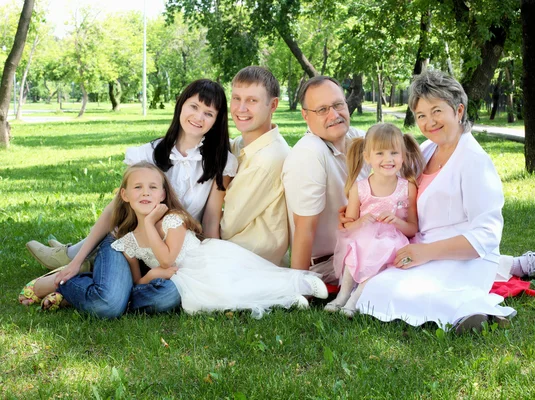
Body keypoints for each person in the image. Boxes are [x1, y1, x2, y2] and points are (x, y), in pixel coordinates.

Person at [355, 70, 535, 332]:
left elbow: (486, 235)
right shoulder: (427, 150)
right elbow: (392, 185)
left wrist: (425, 253)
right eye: (421, 115)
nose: (429, 122)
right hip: (423, 249)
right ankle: (514, 266)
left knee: (406, 293)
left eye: (436, 111)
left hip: (463, 257)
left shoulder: (474, 161)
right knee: (374, 289)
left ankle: (475, 311)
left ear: (458, 110)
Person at [19, 80, 237, 317]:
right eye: (193, 106)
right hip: (128, 245)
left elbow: (211, 218)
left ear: (217, 120)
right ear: (181, 106)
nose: (198, 117)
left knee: (168, 296)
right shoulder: (147, 154)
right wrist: (76, 259)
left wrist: (214, 264)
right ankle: (58, 282)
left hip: (171, 253)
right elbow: (114, 210)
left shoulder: (220, 162)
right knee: (107, 306)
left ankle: (95, 286)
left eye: (209, 113)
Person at [107, 163, 328, 318]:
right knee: (223, 298)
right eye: (138, 187)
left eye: (152, 187)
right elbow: (137, 284)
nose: (145, 193)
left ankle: (300, 284)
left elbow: (166, 260)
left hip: (207, 262)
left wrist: (148, 223)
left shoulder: (172, 220)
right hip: (184, 280)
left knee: (244, 284)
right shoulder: (129, 242)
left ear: (163, 195)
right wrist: (153, 274)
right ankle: (286, 300)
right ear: (125, 195)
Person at [325, 123, 424, 317]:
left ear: (403, 156)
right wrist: (360, 223)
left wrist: (396, 221)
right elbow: (349, 224)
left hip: (393, 243)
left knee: (380, 252)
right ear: (368, 157)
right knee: (357, 249)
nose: (388, 159)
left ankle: (354, 300)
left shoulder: (407, 187)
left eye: (394, 153)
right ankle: (343, 295)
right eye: (380, 153)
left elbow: (413, 228)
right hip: (363, 238)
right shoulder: (359, 188)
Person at [282, 76, 369, 284]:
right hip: (328, 265)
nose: (334, 115)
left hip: (362, 248)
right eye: (322, 110)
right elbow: (304, 228)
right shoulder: (309, 153)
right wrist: (302, 288)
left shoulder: (357, 139)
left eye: (338, 105)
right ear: (305, 115)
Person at [220, 66, 290, 266]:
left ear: (273, 105)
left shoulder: (267, 159)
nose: (241, 108)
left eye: (252, 100)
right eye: (236, 98)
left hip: (249, 259)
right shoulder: (242, 144)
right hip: (238, 249)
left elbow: (228, 226)